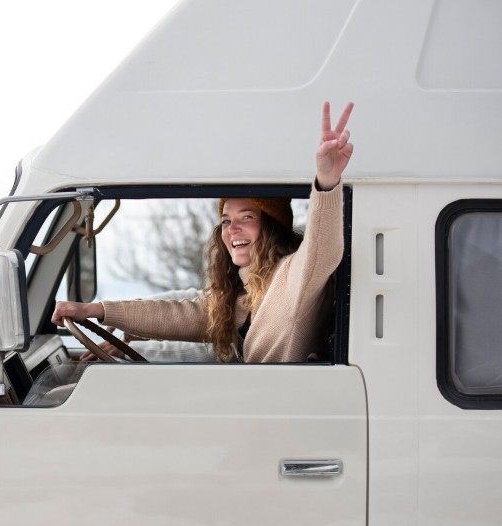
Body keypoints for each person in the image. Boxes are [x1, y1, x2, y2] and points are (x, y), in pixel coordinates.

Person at [51, 101, 354, 363]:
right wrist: (97, 310)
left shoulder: (291, 278)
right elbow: (183, 313)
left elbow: (322, 249)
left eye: (247, 217)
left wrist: (327, 182)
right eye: (226, 220)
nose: (232, 229)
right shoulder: (243, 295)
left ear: (272, 227)